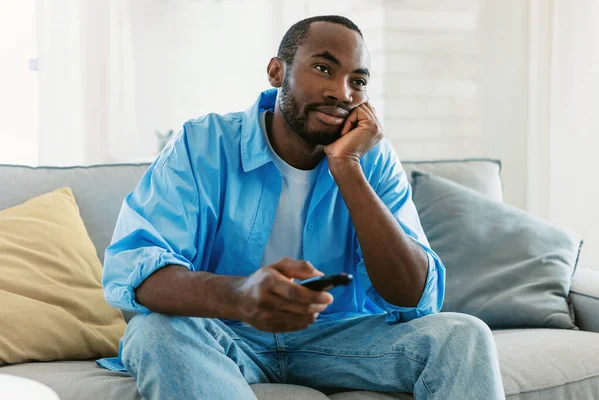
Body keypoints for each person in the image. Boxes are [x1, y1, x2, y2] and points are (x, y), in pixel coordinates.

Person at [98, 15, 505, 400]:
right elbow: (135, 272)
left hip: (337, 338)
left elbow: (416, 298)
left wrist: (348, 169)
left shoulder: (372, 159)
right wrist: (240, 295)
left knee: (463, 335)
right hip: (225, 333)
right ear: (277, 72)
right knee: (152, 332)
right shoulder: (203, 144)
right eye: (324, 69)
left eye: (357, 81)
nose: (341, 93)